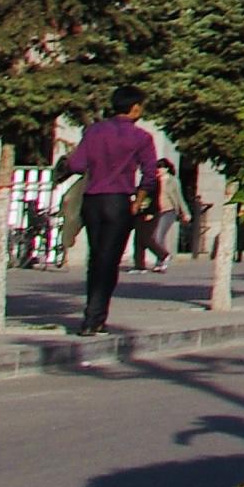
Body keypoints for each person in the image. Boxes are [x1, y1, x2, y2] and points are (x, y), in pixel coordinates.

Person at [57, 91, 161, 335]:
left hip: (92, 200)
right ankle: (95, 317)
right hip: (119, 200)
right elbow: (149, 174)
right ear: (135, 108)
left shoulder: (94, 131)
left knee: (96, 257)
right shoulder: (141, 137)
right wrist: (140, 200)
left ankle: (91, 315)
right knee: (109, 260)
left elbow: (76, 164)